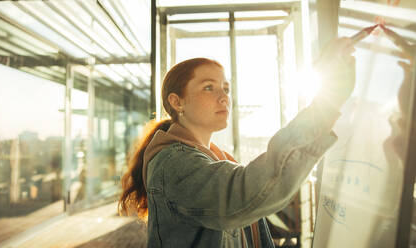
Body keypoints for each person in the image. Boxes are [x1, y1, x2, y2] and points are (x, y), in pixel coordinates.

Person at [119, 37, 356, 247]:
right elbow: (244, 195)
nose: (223, 97)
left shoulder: (214, 157)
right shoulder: (174, 163)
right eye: (209, 87)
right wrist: (327, 104)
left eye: (226, 88)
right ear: (177, 102)